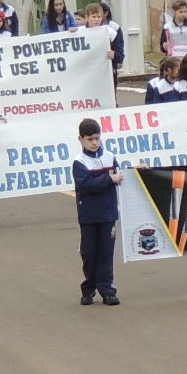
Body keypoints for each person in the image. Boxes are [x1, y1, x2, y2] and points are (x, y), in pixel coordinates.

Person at [72, 116, 121, 306]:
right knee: (89, 253)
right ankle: (89, 288)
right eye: (89, 139)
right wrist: (109, 179)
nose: (94, 142)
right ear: (81, 139)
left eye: (96, 138)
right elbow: (87, 185)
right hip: (89, 216)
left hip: (108, 214)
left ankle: (107, 290)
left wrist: (137, 171)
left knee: (106, 253)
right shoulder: (79, 162)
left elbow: (120, 176)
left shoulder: (109, 157)